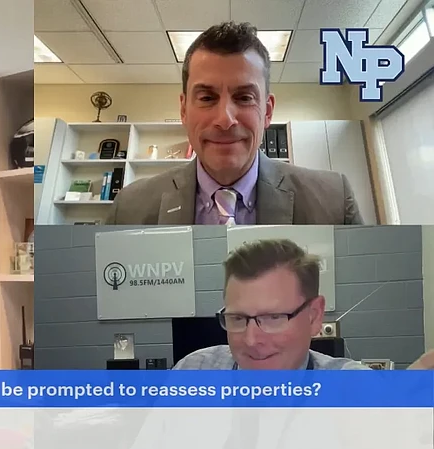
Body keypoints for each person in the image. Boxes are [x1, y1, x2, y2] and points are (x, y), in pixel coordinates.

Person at [106, 22, 363, 225]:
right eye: (207, 97)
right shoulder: (129, 208)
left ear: (268, 111)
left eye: (244, 97)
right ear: (184, 110)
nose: (225, 120)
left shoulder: (333, 202)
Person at [173, 238, 369, 370]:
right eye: (238, 318)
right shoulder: (194, 370)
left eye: (273, 318)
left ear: (314, 316)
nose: (251, 340)